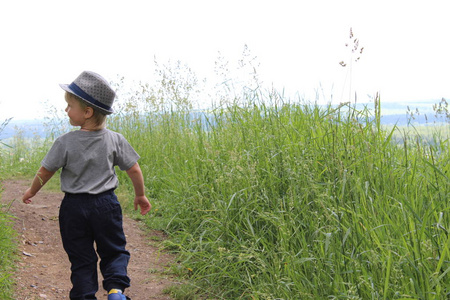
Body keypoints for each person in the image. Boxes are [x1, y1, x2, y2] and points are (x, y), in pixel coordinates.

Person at [22, 71, 152, 300]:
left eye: (69, 105)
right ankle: (115, 290)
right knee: (114, 250)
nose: (66, 110)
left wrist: (32, 190)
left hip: (73, 208)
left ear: (87, 112)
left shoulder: (64, 142)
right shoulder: (115, 139)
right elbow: (133, 169)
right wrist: (140, 195)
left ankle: (84, 295)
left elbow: (46, 171)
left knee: (81, 257)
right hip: (106, 205)